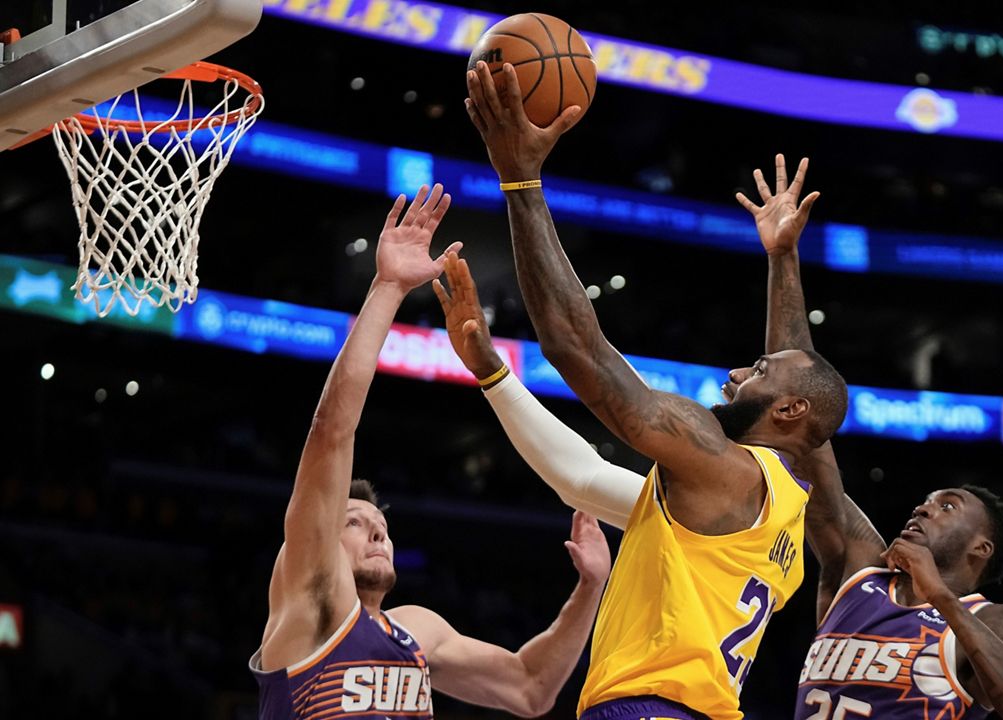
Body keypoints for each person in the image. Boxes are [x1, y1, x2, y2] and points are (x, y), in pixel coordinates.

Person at [455, 62, 849, 720]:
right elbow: (581, 474)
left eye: (753, 370)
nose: (733, 375)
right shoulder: (788, 514)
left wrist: (520, 181)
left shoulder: (720, 466)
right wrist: (782, 260)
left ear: (785, 410)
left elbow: (576, 349)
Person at [249, 184, 612, 720]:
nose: (378, 531)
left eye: (380, 525)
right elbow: (331, 432)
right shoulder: (310, 594)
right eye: (355, 522)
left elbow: (531, 689)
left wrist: (591, 587)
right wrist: (388, 287)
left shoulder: (418, 630)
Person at [733, 156, 1003, 720]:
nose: (924, 507)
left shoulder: (995, 620)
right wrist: (783, 258)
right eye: (930, 499)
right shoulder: (858, 571)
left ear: (979, 549)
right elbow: (802, 414)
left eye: (947, 506)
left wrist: (942, 601)